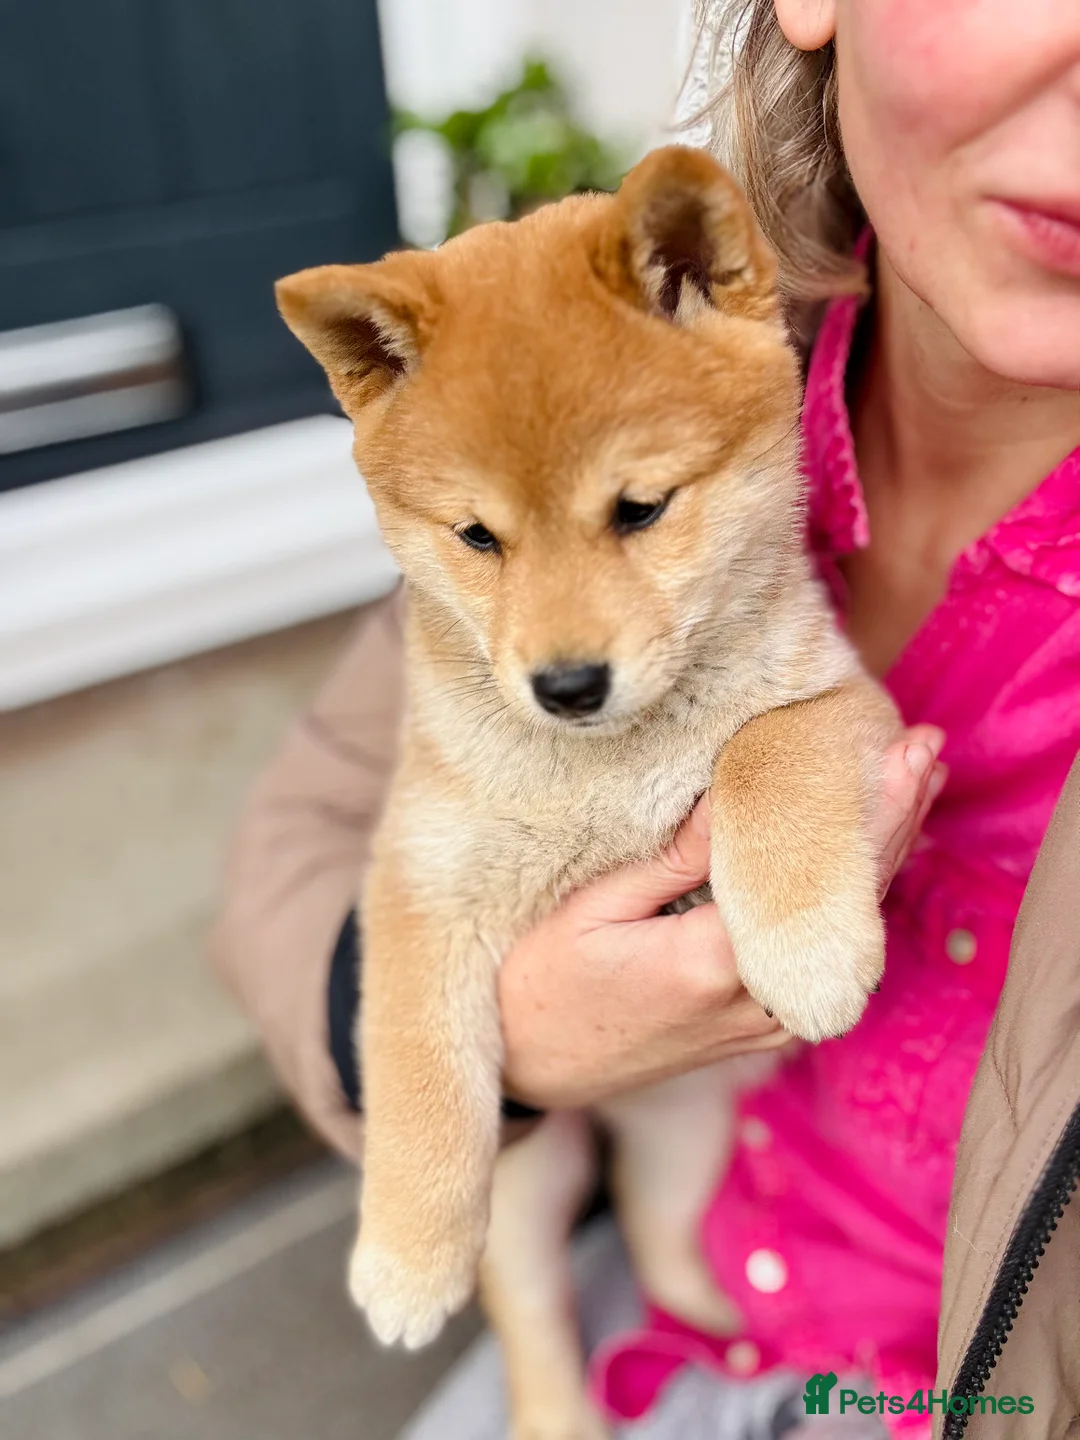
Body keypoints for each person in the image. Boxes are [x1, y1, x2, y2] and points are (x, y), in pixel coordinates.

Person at [212, 1, 1080, 1435]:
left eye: (637, 511)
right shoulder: (580, 362)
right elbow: (305, 842)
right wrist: (512, 1050)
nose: (557, 642)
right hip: (661, 1317)